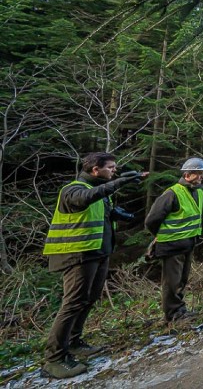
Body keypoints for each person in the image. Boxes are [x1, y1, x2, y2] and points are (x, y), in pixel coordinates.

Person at [42, 152, 146, 379]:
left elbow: (99, 208)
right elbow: (85, 199)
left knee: (88, 299)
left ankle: (74, 342)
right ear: (95, 170)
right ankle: (54, 359)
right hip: (78, 255)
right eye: (111, 168)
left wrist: (119, 214)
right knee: (72, 303)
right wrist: (119, 183)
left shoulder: (100, 191)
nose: (114, 171)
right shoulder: (73, 189)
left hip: (98, 253)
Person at [145, 157, 203, 323]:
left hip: (188, 243)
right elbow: (152, 220)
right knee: (172, 282)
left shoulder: (198, 192)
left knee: (181, 280)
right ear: (188, 175)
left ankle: (179, 310)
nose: (202, 177)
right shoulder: (172, 193)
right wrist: (160, 235)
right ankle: (172, 314)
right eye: (199, 174)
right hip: (172, 245)